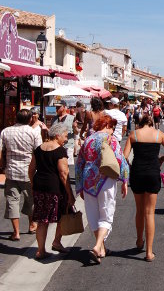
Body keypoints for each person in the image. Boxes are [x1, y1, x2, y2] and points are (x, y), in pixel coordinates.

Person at [76, 115, 129, 264]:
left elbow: (79, 163)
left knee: (93, 215)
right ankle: (98, 246)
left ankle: (101, 249)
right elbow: (120, 159)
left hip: (88, 181)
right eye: (112, 127)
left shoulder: (88, 140)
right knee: (106, 214)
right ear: (107, 126)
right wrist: (124, 179)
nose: (112, 131)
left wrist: (80, 185)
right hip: (106, 179)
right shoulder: (110, 140)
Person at [123, 115, 164, 262]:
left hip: (137, 173)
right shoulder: (159, 134)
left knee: (139, 210)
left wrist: (131, 166)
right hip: (153, 173)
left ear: (140, 124)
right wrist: (161, 159)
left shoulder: (134, 135)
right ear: (152, 123)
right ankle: (149, 252)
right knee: (150, 213)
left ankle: (139, 241)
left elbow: (124, 156)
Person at [28, 123, 75, 259]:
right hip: (55, 189)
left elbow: (31, 169)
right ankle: (57, 242)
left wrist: (33, 184)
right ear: (57, 135)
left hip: (39, 186)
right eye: (65, 136)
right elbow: (63, 173)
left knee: (42, 220)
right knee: (62, 215)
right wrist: (70, 194)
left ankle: (40, 251)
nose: (66, 139)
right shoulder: (60, 151)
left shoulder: (38, 149)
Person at [0, 109, 42, 240]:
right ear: (30, 119)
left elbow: (1, 151)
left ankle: (16, 232)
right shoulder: (33, 132)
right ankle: (32, 225)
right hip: (29, 171)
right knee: (31, 199)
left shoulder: (5, 131)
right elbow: (39, 152)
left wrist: (2, 166)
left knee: (12, 201)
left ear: (16, 118)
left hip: (11, 171)